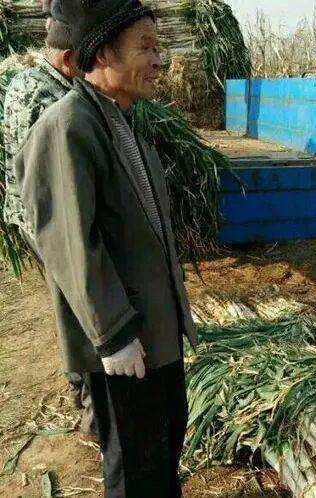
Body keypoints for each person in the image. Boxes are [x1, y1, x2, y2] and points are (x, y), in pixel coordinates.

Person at [14, 0, 196, 495]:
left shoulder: (120, 118)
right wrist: (113, 333)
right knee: (135, 470)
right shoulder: (68, 126)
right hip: (125, 340)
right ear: (101, 54)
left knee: (161, 453)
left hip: (155, 334)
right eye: (146, 47)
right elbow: (70, 242)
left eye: (158, 47)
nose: (159, 60)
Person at [3, 0, 96, 437]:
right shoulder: (46, 97)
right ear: (68, 59)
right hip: (48, 222)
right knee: (80, 308)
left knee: (68, 304)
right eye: (88, 60)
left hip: (31, 216)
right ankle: (92, 405)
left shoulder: (28, 82)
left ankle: (79, 385)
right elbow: (58, 174)